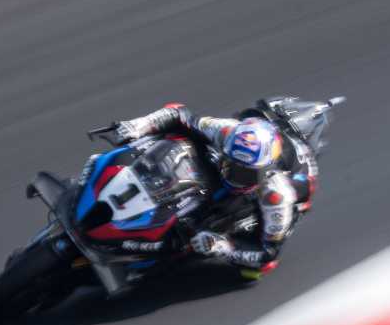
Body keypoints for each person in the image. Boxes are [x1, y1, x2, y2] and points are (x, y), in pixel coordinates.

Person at [102, 95, 337, 280]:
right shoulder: (226, 132)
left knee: (249, 271)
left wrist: (223, 247)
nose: (235, 175)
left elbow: (268, 254)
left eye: (246, 173)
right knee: (183, 137)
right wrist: (138, 125)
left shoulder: (277, 194)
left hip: (282, 193)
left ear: (264, 171)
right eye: (231, 164)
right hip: (259, 139)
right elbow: (179, 114)